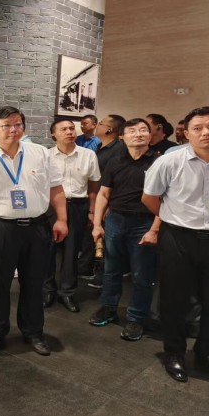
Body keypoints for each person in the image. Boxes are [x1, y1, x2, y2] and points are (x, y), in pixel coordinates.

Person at [143, 106, 209, 386]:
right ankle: (174, 352)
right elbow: (150, 198)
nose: (206, 132)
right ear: (186, 133)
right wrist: (171, 217)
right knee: (174, 300)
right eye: (198, 128)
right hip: (178, 239)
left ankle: (207, 354)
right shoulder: (169, 161)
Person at [0, 106, 68, 356]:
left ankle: (33, 331)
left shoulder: (40, 153)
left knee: (34, 281)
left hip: (37, 227)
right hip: (1, 228)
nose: (13, 130)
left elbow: (56, 189)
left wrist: (62, 219)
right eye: (6, 125)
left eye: (18, 124)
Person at [89, 118, 160, 342]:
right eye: (132, 131)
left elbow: (166, 199)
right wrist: (97, 224)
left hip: (145, 222)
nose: (138, 134)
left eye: (143, 130)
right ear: (122, 136)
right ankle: (108, 308)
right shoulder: (115, 161)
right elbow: (104, 194)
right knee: (111, 269)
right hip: (115, 220)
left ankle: (136, 317)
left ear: (150, 135)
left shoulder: (159, 162)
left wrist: (155, 229)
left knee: (141, 274)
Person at [43, 119, 100, 313]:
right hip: (50, 206)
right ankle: (47, 290)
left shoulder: (88, 155)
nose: (69, 132)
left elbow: (93, 185)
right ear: (53, 134)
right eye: (64, 129)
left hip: (78, 205)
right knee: (48, 250)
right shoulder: (46, 156)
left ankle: (67, 292)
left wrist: (92, 211)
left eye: (71, 129)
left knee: (71, 251)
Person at [78, 114, 126, 289]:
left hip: (107, 202)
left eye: (101, 123)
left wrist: (108, 205)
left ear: (109, 129)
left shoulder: (119, 150)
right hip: (95, 199)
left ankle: (103, 277)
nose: (98, 125)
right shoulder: (100, 146)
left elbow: (117, 181)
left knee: (106, 242)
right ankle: (87, 269)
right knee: (92, 237)